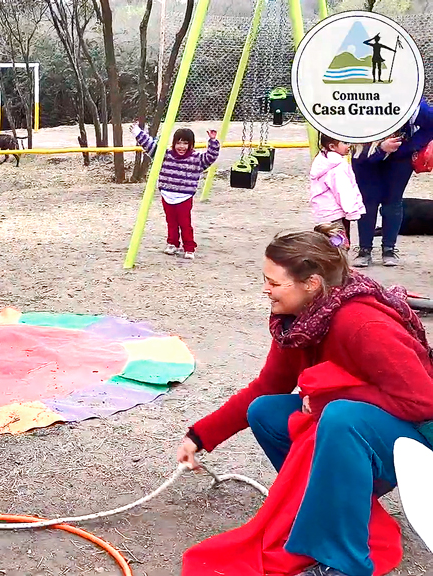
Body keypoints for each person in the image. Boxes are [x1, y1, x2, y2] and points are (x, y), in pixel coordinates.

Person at [176, 228, 433, 576]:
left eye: (274, 282)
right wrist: (200, 436)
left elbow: (423, 401)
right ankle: (332, 509)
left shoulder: (363, 323)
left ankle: (344, 561)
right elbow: (266, 388)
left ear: (311, 284)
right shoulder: (299, 324)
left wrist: (332, 396)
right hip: (366, 424)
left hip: (415, 439)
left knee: (341, 417)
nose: (265, 289)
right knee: (265, 412)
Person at [351, 98, 433, 267]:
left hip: (399, 158)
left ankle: (389, 249)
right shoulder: (353, 97)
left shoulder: (410, 101)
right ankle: (364, 250)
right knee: (368, 201)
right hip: (363, 154)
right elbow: (344, 130)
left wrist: (409, 146)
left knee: (393, 201)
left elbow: (431, 124)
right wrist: (380, 147)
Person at [130, 123, 219, 260]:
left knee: (185, 223)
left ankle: (189, 247)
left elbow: (211, 157)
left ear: (191, 145)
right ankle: (172, 243)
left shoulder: (196, 159)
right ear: (174, 143)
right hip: (167, 194)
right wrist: (137, 132)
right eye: (178, 143)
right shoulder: (165, 156)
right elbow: (150, 145)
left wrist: (212, 141)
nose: (181, 147)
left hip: (184, 196)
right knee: (171, 222)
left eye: (185, 143)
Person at [309, 134, 364, 249]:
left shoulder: (322, 161)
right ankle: (340, 266)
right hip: (336, 212)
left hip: (324, 212)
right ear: (332, 146)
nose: (349, 146)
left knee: (327, 243)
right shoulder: (338, 167)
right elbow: (343, 190)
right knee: (340, 244)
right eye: (345, 143)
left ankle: (331, 265)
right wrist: (351, 211)